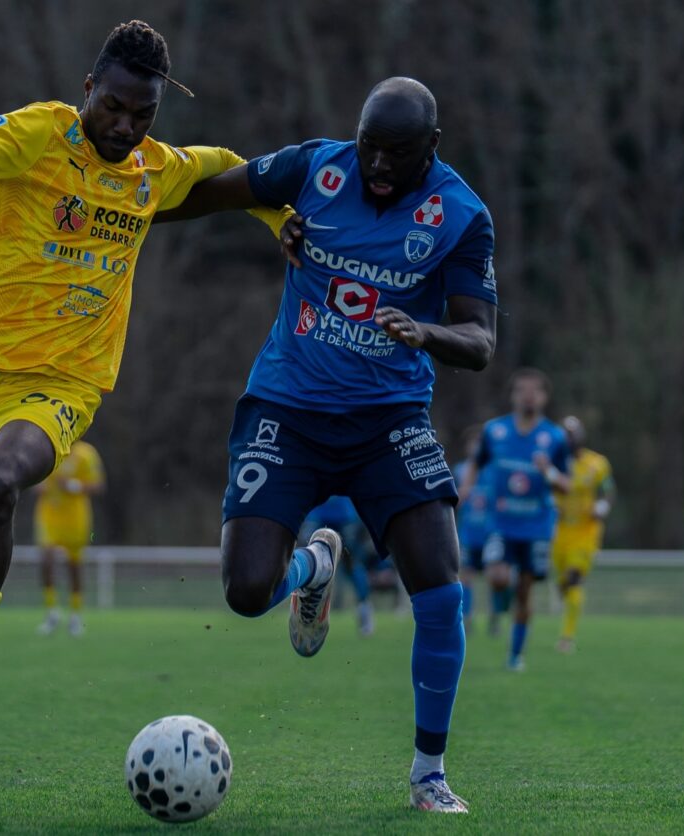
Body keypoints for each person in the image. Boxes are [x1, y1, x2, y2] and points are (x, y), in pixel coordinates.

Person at [0, 20, 291, 758]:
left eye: (143, 114)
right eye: (115, 108)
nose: (125, 126)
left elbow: (231, 169)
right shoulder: (38, 131)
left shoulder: (156, 169)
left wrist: (280, 217)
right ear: (89, 89)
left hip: (61, 382)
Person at [157, 77, 497, 813]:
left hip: (389, 420)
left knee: (442, 591)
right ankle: (314, 567)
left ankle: (428, 775)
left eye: (396, 155)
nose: (376, 164)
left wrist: (426, 331)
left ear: (430, 149)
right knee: (246, 592)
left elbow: (480, 339)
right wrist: (126, 214)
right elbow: (214, 190)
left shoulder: (462, 216)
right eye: (369, 146)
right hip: (288, 407)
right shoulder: (316, 167)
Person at [459, 368, 569, 671]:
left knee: (525, 591)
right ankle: (500, 603)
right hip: (501, 523)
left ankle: (515, 655)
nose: (528, 395)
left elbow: (566, 485)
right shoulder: (495, 431)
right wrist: (465, 489)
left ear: (545, 397)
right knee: (497, 578)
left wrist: (548, 471)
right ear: (513, 395)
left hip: (536, 526)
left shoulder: (554, 437)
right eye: (522, 389)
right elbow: (475, 464)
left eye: (535, 390)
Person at [551, 416, 614, 653]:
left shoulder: (597, 463)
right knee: (564, 581)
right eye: (565, 434)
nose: (570, 439)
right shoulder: (555, 465)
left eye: (573, 433)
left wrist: (603, 506)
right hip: (560, 530)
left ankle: (567, 637)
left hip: (586, 531)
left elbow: (608, 490)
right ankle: (563, 585)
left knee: (575, 578)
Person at [34, 439, 106, 636]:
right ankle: (52, 612)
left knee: (74, 566)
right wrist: (37, 486)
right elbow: (34, 479)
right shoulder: (47, 449)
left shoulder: (86, 453)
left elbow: (98, 485)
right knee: (46, 560)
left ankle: (75, 615)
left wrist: (72, 485)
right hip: (49, 515)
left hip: (75, 517)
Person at [299, 496, 374, 635]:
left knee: (311, 562)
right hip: (331, 514)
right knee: (350, 565)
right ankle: (306, 610)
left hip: (335, 515)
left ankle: (364, 608)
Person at [453, 426, 494, 632]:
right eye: (472, 442)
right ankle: (467, 618)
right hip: (468, 533)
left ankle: (494, 617)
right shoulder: (461, 470)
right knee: (466, 576)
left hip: (489, 533)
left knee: (493, 577)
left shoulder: (493, 469)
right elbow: (455, 501)